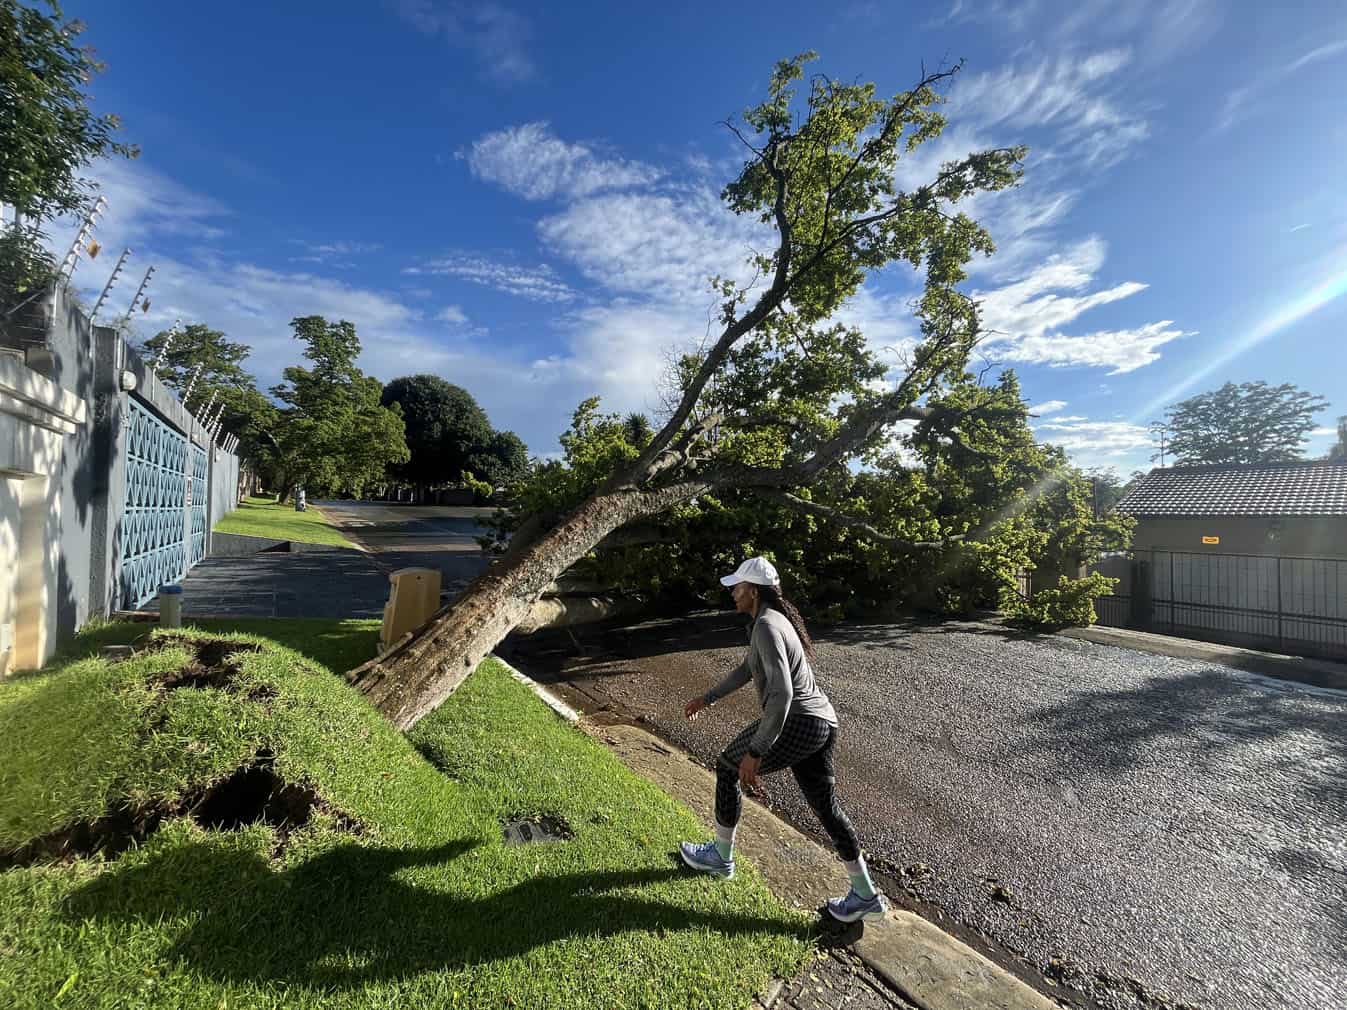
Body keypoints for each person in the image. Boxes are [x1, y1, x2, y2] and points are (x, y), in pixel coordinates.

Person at [678, 556, 888, 923]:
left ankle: (720, 858)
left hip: (799, 720)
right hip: (822, 723)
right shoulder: (769, 622)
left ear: (753, 591)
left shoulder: (767, 627)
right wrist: (707, 698)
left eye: (737, 587)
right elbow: (747, 669)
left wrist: (757, 751)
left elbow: (782, 696)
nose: (732, 593)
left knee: (728, 767)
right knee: (826, 807)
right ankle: (865, 895)